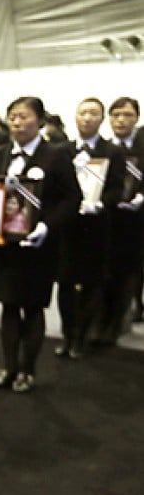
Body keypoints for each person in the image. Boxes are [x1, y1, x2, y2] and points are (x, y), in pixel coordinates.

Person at [0, 96, 81, 393]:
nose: (16, 122)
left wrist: (45, 227)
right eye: (12, 116)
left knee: (33, 308)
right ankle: (8, 365)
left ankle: (28, 368)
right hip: (4, 245)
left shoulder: (55, 155)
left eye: (23, 116)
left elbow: (71, 198)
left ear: (40, 120)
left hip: (38, 246)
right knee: (8, 306)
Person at [55, 98, 126, 358]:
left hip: (97, 228)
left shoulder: (112, 152)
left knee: (91, 284)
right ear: (75, 116)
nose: (87, 118)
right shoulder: (62, 150)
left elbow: (118, 189)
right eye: (83, 112)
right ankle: (67, 334)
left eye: (93, 114)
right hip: (68, 227)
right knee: (64, 283)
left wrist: (101, 204)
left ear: (101, 119)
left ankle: (82, 336)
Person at [97, 97, 144, 343]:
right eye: (115, 115)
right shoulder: (103, 149)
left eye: (126, 115)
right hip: (107, 219)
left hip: (137, 222)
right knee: (104, 273)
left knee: (127, 274)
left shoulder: (141, 146)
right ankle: (99, 321)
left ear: (136, 118)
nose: (121, 120)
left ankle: (116, 324)